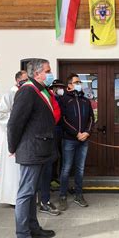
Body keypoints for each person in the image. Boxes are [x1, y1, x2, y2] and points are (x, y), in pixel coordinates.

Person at [8, 59, 61, 238]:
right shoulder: (28, 91)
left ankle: (33, 228)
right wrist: (13, 146)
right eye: (47, 71)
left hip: (40, 148)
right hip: (31, 149)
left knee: (32, 193)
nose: (50, 73)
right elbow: (15, 122)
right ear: (37, 73)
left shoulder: (40, 90)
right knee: (25, 194)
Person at [58, 73, 94, 211]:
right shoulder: (64, 100)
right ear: (70, 85)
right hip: (69, 140)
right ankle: (62, 196)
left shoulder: (85, 100)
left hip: (84, 140)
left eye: (80, 82)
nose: (80, 84)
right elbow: (63, 119)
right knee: (66, 169)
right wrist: (76, 133)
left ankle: (79, 195)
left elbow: (91, 118)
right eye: (77, 82)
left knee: (80, 169)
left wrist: (87, 132)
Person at [0, 70, 28, 205]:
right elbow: (1, 116)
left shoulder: (26, 94)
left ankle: (21, 197)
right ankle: (12, 198)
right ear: (17, 80)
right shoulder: (9, 95)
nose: (26, 82)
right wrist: (17, 120)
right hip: (11, 135)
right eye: (24, 79)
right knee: (12, 171)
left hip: (23, 135)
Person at [38, 79, 68, 216]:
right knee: (46, 166)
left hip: (57, 133)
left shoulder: (54, 97)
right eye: (58, 87)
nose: (60, 90)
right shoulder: (41, 95)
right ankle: (43, 200)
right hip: (45, 136)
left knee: (55, 161)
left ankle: (46, 198)